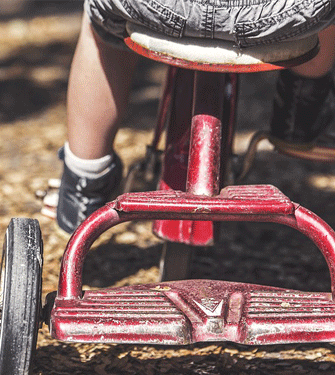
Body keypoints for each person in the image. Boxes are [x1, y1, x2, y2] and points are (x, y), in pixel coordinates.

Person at [56, 0, 335, 234]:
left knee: (101, 24)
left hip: (156, 6)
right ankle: (299, 119)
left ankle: (85, 180)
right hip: (279, 12)